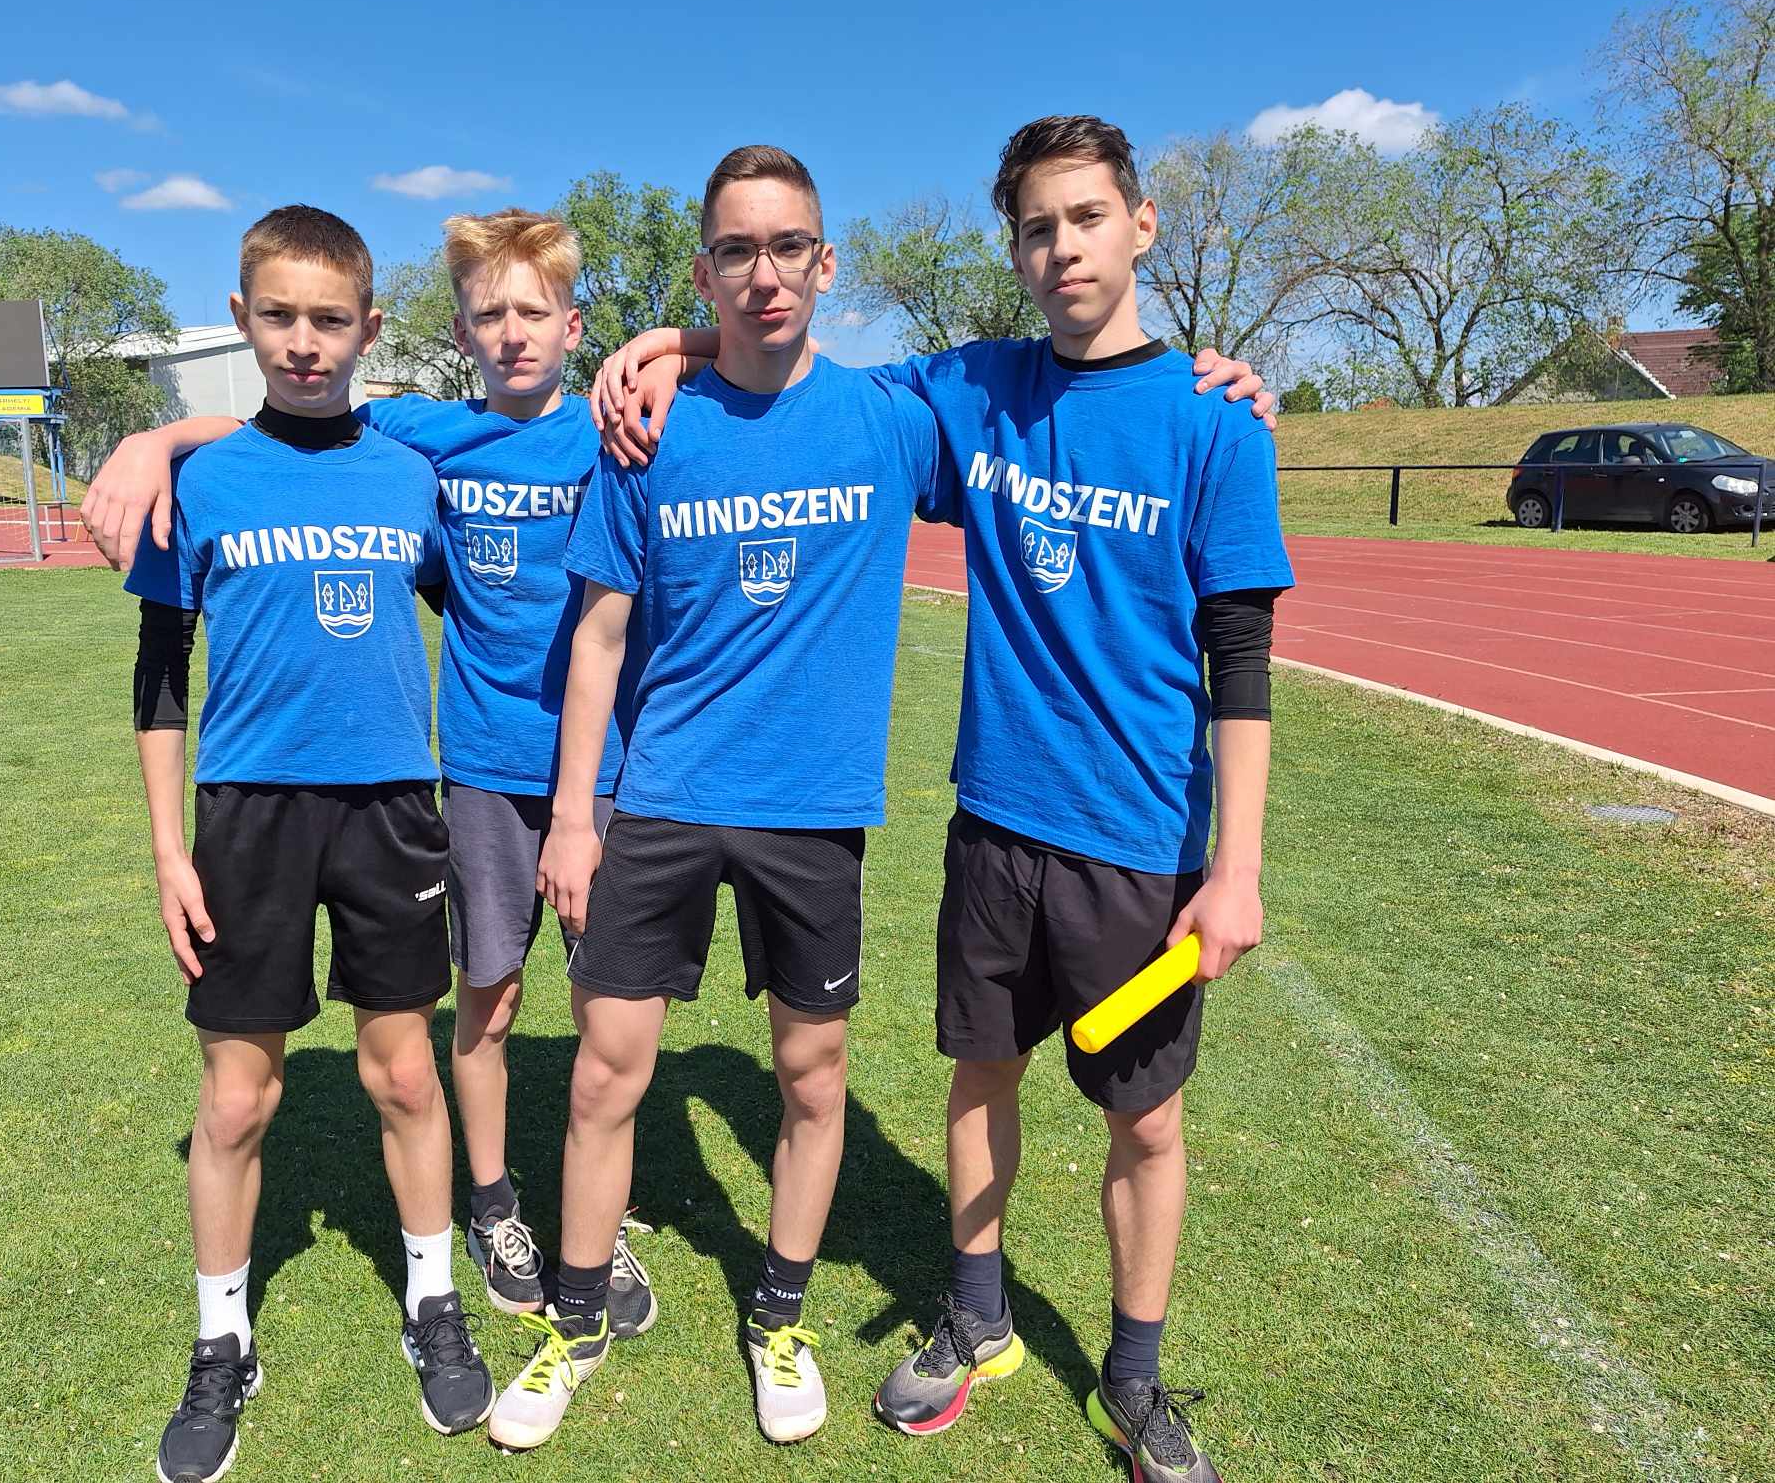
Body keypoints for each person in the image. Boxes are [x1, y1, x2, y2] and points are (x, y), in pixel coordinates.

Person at [592, 115, 1291, 1483]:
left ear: (1142, 225)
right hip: (995, 822)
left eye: (1087, 218)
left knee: (1146, 1120)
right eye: (1037, 228)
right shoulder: (972, 389)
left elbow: (1243, 662)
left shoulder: (1215, 419)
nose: (1063, 248)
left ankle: (1135, 1378)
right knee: (982, 1076)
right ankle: (978, 1316)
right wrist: (666, 343)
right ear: (1014, 249)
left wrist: (1239, 866)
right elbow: (787, 358)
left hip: (1142, 837)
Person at [85, 209, 655, 1334]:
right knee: (479, 1005)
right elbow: (289, 427)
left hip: (583, 777)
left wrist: (671, 347)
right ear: (457, 329)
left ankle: (591, 1225)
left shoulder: (598, 439)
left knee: (608, 1022)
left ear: (573, 324)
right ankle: (487, 1211)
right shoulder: (422, 444)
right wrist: (154, 439)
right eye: (488, 313)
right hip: (445, 774)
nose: (512, 331)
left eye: (533, 310)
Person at [485, 145, 951, 1452]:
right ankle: (577, 1322)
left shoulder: (891, 419)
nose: (764, 273)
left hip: (811, 809)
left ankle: (780, 1318)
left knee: (812, 1071)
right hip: (665, 797)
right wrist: (571, 817)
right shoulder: (649, 431)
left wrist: (1212, 382)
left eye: (787, 246)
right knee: (604, 1073)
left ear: (826, 262)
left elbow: (1066, 385)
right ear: (705, 270)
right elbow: (597, 638)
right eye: (737, 252)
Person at [125, 205, 492, 1483]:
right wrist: (168, 848)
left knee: (404, 1077)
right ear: (242, 318)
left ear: (369, 329)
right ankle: (221, 1339)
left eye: (329, 319)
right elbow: (159, 676)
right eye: (278, 316)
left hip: (392, 810)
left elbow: (483, 616)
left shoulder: (411, 476)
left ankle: (433, 1301)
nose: (303, 342)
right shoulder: (201, 480)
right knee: (237, 1097)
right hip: (247, 817)